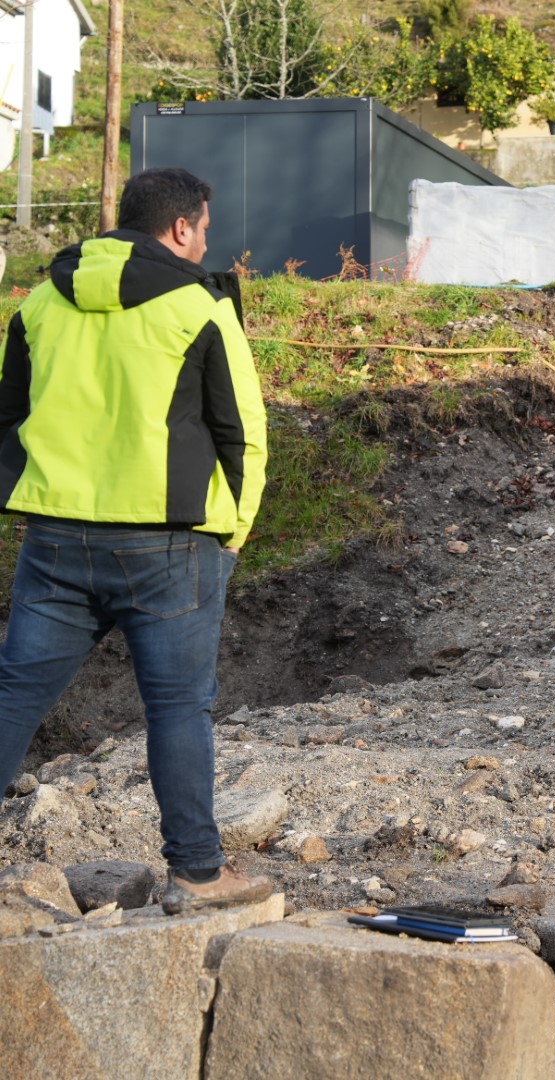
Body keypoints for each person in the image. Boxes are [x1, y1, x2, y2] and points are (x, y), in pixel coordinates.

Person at [0, 168, 272, 914]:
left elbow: (9, 416)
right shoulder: (198, 307)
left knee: (12, 698)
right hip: (168, 548)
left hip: (54, 539)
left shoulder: (40, 302)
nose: (207, 242)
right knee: (179, 712)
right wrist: (234, 533)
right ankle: (197, 875)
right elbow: (242, 433)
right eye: (206, 229)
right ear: (182, 228)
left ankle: (197, 871)